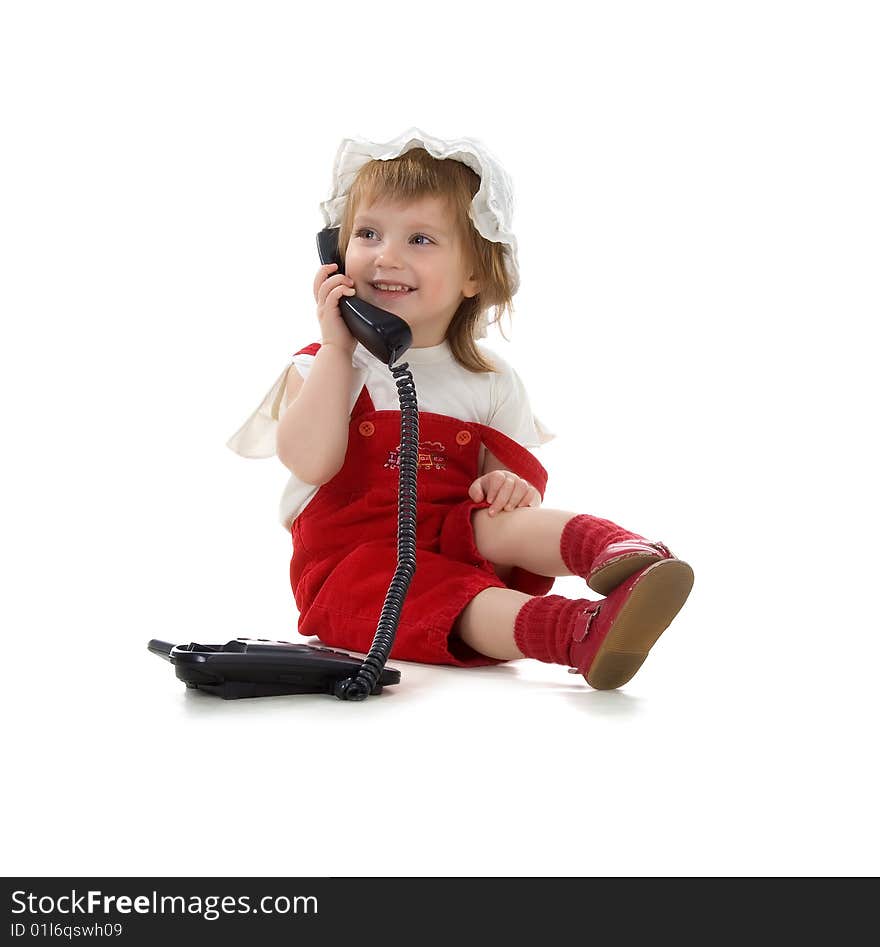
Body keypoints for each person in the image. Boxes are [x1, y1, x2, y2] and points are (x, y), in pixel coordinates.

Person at [227, 128, 694, 690]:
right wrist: (337, 348)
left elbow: (511, 494)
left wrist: (507, 490)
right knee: (446, 594)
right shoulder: (323, 367)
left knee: (495, 526)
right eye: (367, 233)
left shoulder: (490, 381)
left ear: (475, 274)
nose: (385, 256)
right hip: (353, 572)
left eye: (419, 240)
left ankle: (619, 553)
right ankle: (575, 631)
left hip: (454, 540)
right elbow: (310, 462)